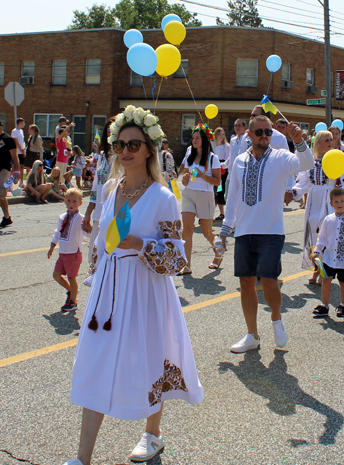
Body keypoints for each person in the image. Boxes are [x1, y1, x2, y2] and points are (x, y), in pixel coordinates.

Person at [62, 108, 203, 465]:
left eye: (134, 144)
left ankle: (152, 434)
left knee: (149, 362)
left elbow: (176, 259)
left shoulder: (162, 197)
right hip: (107, 296)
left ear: (148, 150)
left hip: (144, 293)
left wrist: (138, 244)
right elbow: (99, 246)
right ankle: (82, 458)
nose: (126, 151)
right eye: (121, 144)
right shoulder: (112, 189)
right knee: (94, 364)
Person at [220, 115, 314, 353]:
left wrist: (299, 141)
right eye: (259, 132)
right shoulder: (240, 160)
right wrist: (225, 230)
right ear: (249, 135)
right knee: (246, 283)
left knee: (270, 282)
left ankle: (276, 319)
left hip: (271, 231)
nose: (264, 136)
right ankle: (252, 334)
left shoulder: (281, 157)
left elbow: (307, 163)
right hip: (244, 231)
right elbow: (233, 196)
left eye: (268, 132)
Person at [292, 130, 344, 284]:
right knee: (313, 234)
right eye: (326, 140)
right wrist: (292, 194)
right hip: (314, 201)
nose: (330, 142)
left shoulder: (335, 159)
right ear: (319, 143)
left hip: (329, 200)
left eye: (331, 140)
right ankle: (316, 268)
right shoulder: (310, 162)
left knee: (327, 235)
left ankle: (325, 272)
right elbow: (303, 183)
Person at [311, 188, 344, 318]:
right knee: (326, 280)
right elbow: (322, 237)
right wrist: (317, 250)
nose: (339, 204)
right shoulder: (328, 219)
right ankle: (324, 305)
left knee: (343, 282)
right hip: (328, 257)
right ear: (331, 204)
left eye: (342, 201)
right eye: (336, 202)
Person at [178, 124, 222, 274]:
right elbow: (185, 180)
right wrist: (184, 179)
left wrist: (203, 176)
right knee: (187, 230)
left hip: (205, 195)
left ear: (204, 139)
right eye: (193, 138)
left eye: (197, 138)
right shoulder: (189, 153)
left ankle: (219, 251)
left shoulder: (212, 158)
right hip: (189, 193)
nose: (194, 140)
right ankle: (187, 265)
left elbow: (218, 181)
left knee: (207, 232)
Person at [48, 188, 87, 311]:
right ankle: (71, 290)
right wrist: (52, 246)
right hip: (62, 253)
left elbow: (88, 233)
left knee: (72, 277)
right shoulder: (62, 217)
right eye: (68, 201)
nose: (71, 204)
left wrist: (88, 228)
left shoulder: (81, 219)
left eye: (74, 201)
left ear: (80, 203)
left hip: (73, 253)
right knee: (56, 275)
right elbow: (58, 233)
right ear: (65, 201)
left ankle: (73, 301)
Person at [83, 118, 115, 263]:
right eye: (107, 131)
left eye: (113, 131)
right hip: (99, 213)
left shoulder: (124, 157)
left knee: (111, 257)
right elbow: (95, 188)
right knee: (94, 256)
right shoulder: (101, 156)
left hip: (116, 213)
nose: (109, 134)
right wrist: (88, 214)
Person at [0, 120, 21, 227]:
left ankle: (7, 217)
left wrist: (17, 171)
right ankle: (7, 217)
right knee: (1, 197)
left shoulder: (7, 139)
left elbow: (15, 157)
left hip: (4, 170)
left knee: (1, 194)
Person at [212, 127, 230, 221]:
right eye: (220, 134)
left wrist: (221, 166)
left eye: (223, 134)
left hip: (222, 170)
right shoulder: (211, 145)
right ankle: (210, 213)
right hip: (212, 168)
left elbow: (228, 159)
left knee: (219, 190)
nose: (222, 136)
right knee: (212, 190)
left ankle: (222, 213)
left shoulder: (226, 146)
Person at [11, 118, 26, 187]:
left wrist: (23, 150)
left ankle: (21, 183)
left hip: (21, 152)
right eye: (23, 123)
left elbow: (22, 141)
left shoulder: (22, 131)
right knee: (14, 167)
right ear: (19, 123)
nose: (24, 124)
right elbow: (15, 141)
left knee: (22, 167)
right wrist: (20, 149)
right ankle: (9, 183)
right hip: (16, 152)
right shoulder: (14, 131)